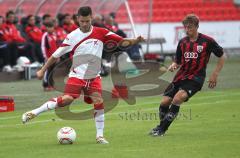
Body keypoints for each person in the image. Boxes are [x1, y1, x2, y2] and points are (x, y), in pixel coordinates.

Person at [22, 6, 144, 144]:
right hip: (77, 76)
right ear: (78, 19)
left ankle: (100, 136)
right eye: (82, 21)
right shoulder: (72, 37)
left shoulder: (102, 32)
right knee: (67, 99)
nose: (85, 24)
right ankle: (34, 112)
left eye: (87, 21)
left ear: (91, 18)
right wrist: (42, 70)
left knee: (98, 100)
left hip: (94, 77)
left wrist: (135, 40)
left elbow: (121, 41)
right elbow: (55, 55)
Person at [149, 14, 225, 136]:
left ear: (196, 26)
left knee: (178, 98)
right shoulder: (182, 42)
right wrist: (174, 65)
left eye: (190, 27)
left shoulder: (207, 41)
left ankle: (162, 130)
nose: (187, 29)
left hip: (196, 78)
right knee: (164, 102)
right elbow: (178, 60)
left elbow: (222, 56)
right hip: (180, 76)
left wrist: (215, 74)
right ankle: (160, 126)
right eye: (185, 27)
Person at [41, 21, 58, 91]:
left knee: (53, 71)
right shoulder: (45, 36)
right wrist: (45, 56)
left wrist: (58, 55)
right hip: (48, 57)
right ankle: (45, 85)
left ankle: (51, 84)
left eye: (52, 27)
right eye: (49, 27)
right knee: (47, 70)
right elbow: (43, 46)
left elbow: (56, 46)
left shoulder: (54, 35)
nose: (50, 29)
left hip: (54, 57)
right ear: (46, 28)